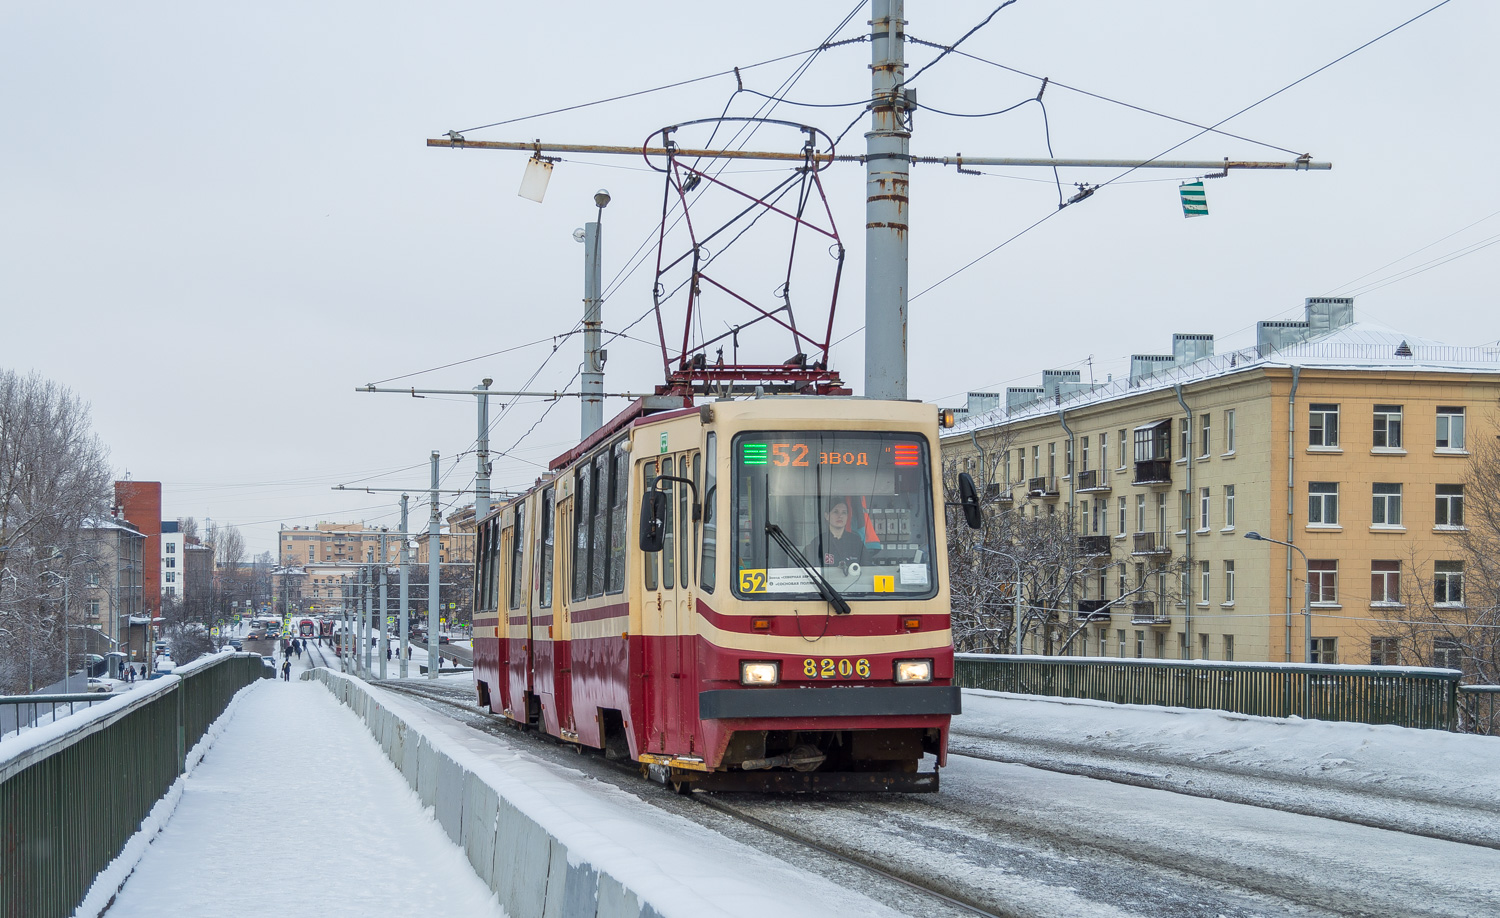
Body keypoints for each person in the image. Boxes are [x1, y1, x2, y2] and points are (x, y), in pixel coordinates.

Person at [803, 497, 865, 570]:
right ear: (826, 516)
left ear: (847, 516)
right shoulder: (818, 543)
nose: (840, 516)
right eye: (836, 512)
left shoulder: (856, 541)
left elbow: (868, 567)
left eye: (844, 512)